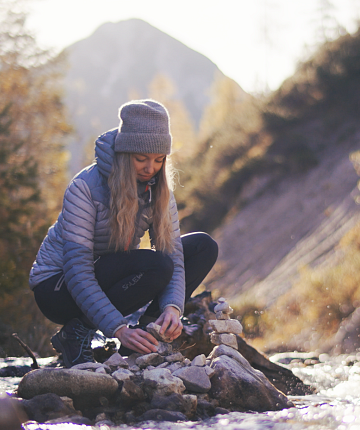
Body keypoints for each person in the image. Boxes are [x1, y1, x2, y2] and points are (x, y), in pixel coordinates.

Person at [29, 99, 218, 367]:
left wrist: (172, 307)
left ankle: (151, 333)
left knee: (202, 247)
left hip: (106, 275)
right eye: (141, 159)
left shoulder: (158, 190)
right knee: (157, 265)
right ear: (124, 153)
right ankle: (76, 334)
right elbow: (77, 270)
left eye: (158, 159)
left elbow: (173, 256)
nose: (150, 168)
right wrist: (118, 329)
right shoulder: (85, 188)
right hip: (57, 287)